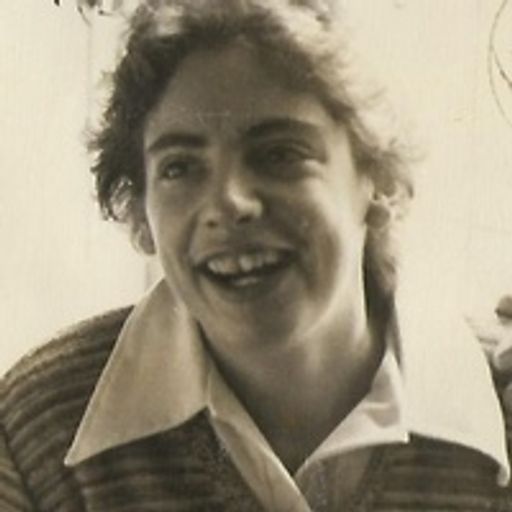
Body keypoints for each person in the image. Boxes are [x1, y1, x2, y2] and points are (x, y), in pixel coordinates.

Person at [2, 1, 512, 511]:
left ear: (380, 182)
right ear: (139, 211)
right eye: (180, 167)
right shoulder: (38, 426)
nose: (229, 203)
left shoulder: (502, 401)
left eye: (279, 154)